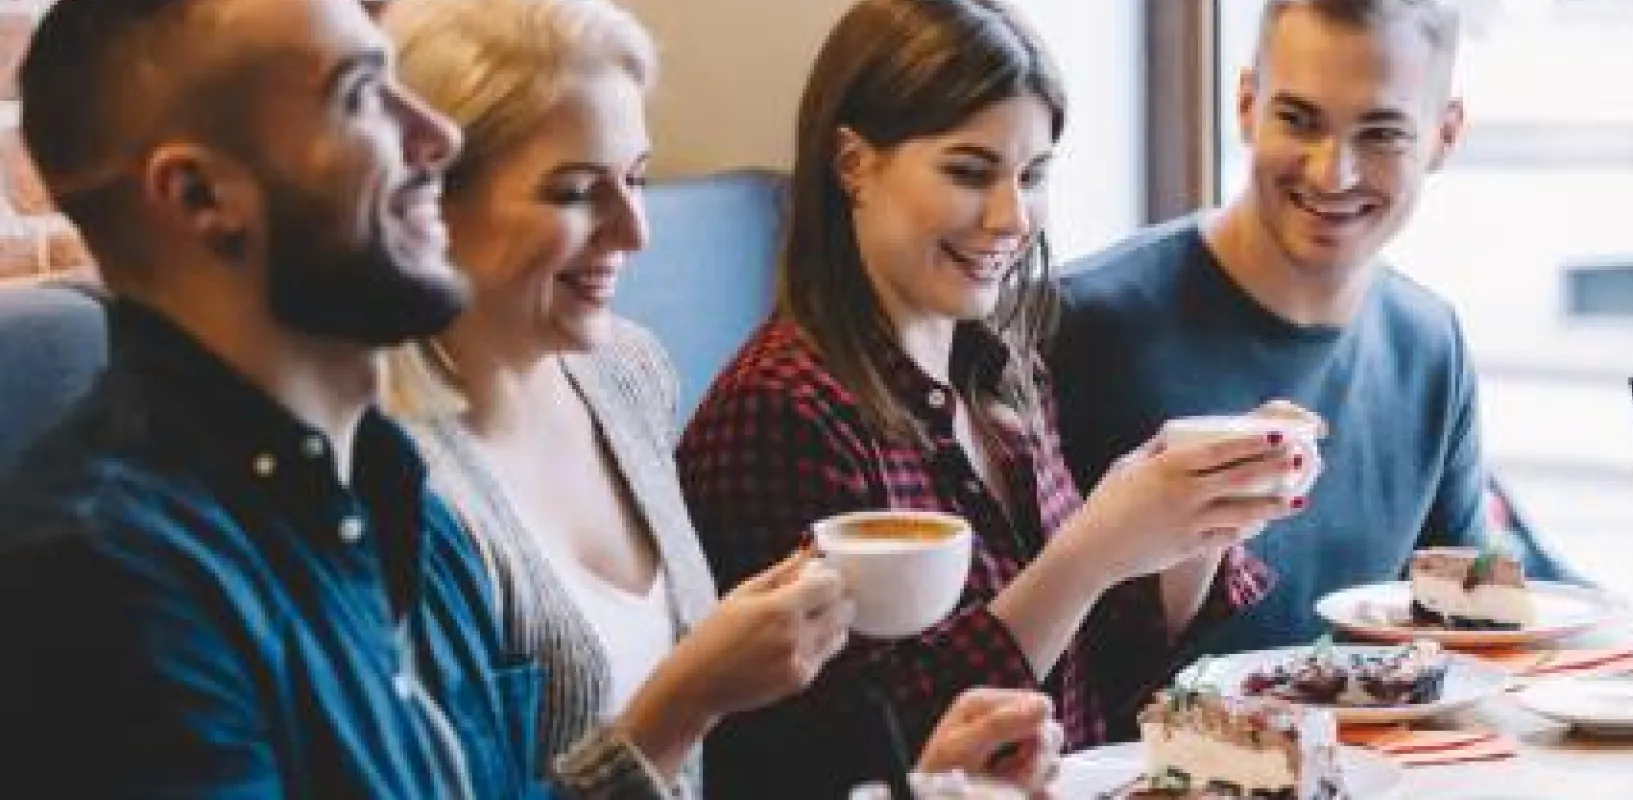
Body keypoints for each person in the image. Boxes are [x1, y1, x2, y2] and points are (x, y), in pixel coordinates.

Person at [0, 0, 1063, 796]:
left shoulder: (367, 494)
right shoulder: (111, 570)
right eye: (358, 98)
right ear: (198, 197)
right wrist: (681, 702)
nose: (428, 138)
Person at [377, 0, 1064, 795]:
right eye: (574, 192)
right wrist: (690, 701)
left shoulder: (628, 375)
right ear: (428, 202)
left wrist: (931, 779)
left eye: (636, 179)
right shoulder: (402, 487)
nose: (634, 232)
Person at [675, 0, 1316, 796]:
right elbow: (856, 758)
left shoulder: (1000, 375)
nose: (1012, 217)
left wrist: (1200, 514)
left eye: (1033, 174)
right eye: (969, 171)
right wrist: (1088, 554)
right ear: (854, 165)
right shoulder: (781, 412)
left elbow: (1095, 681)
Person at [1049, 0, 1576, 652]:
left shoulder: (1431, 343)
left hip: (1378, 755)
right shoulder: (1078, 323)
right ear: (1247, 105)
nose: (1334, 172)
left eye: (1382, 133)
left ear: (1446, 134)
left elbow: (1474, 636)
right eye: (1299, 120)